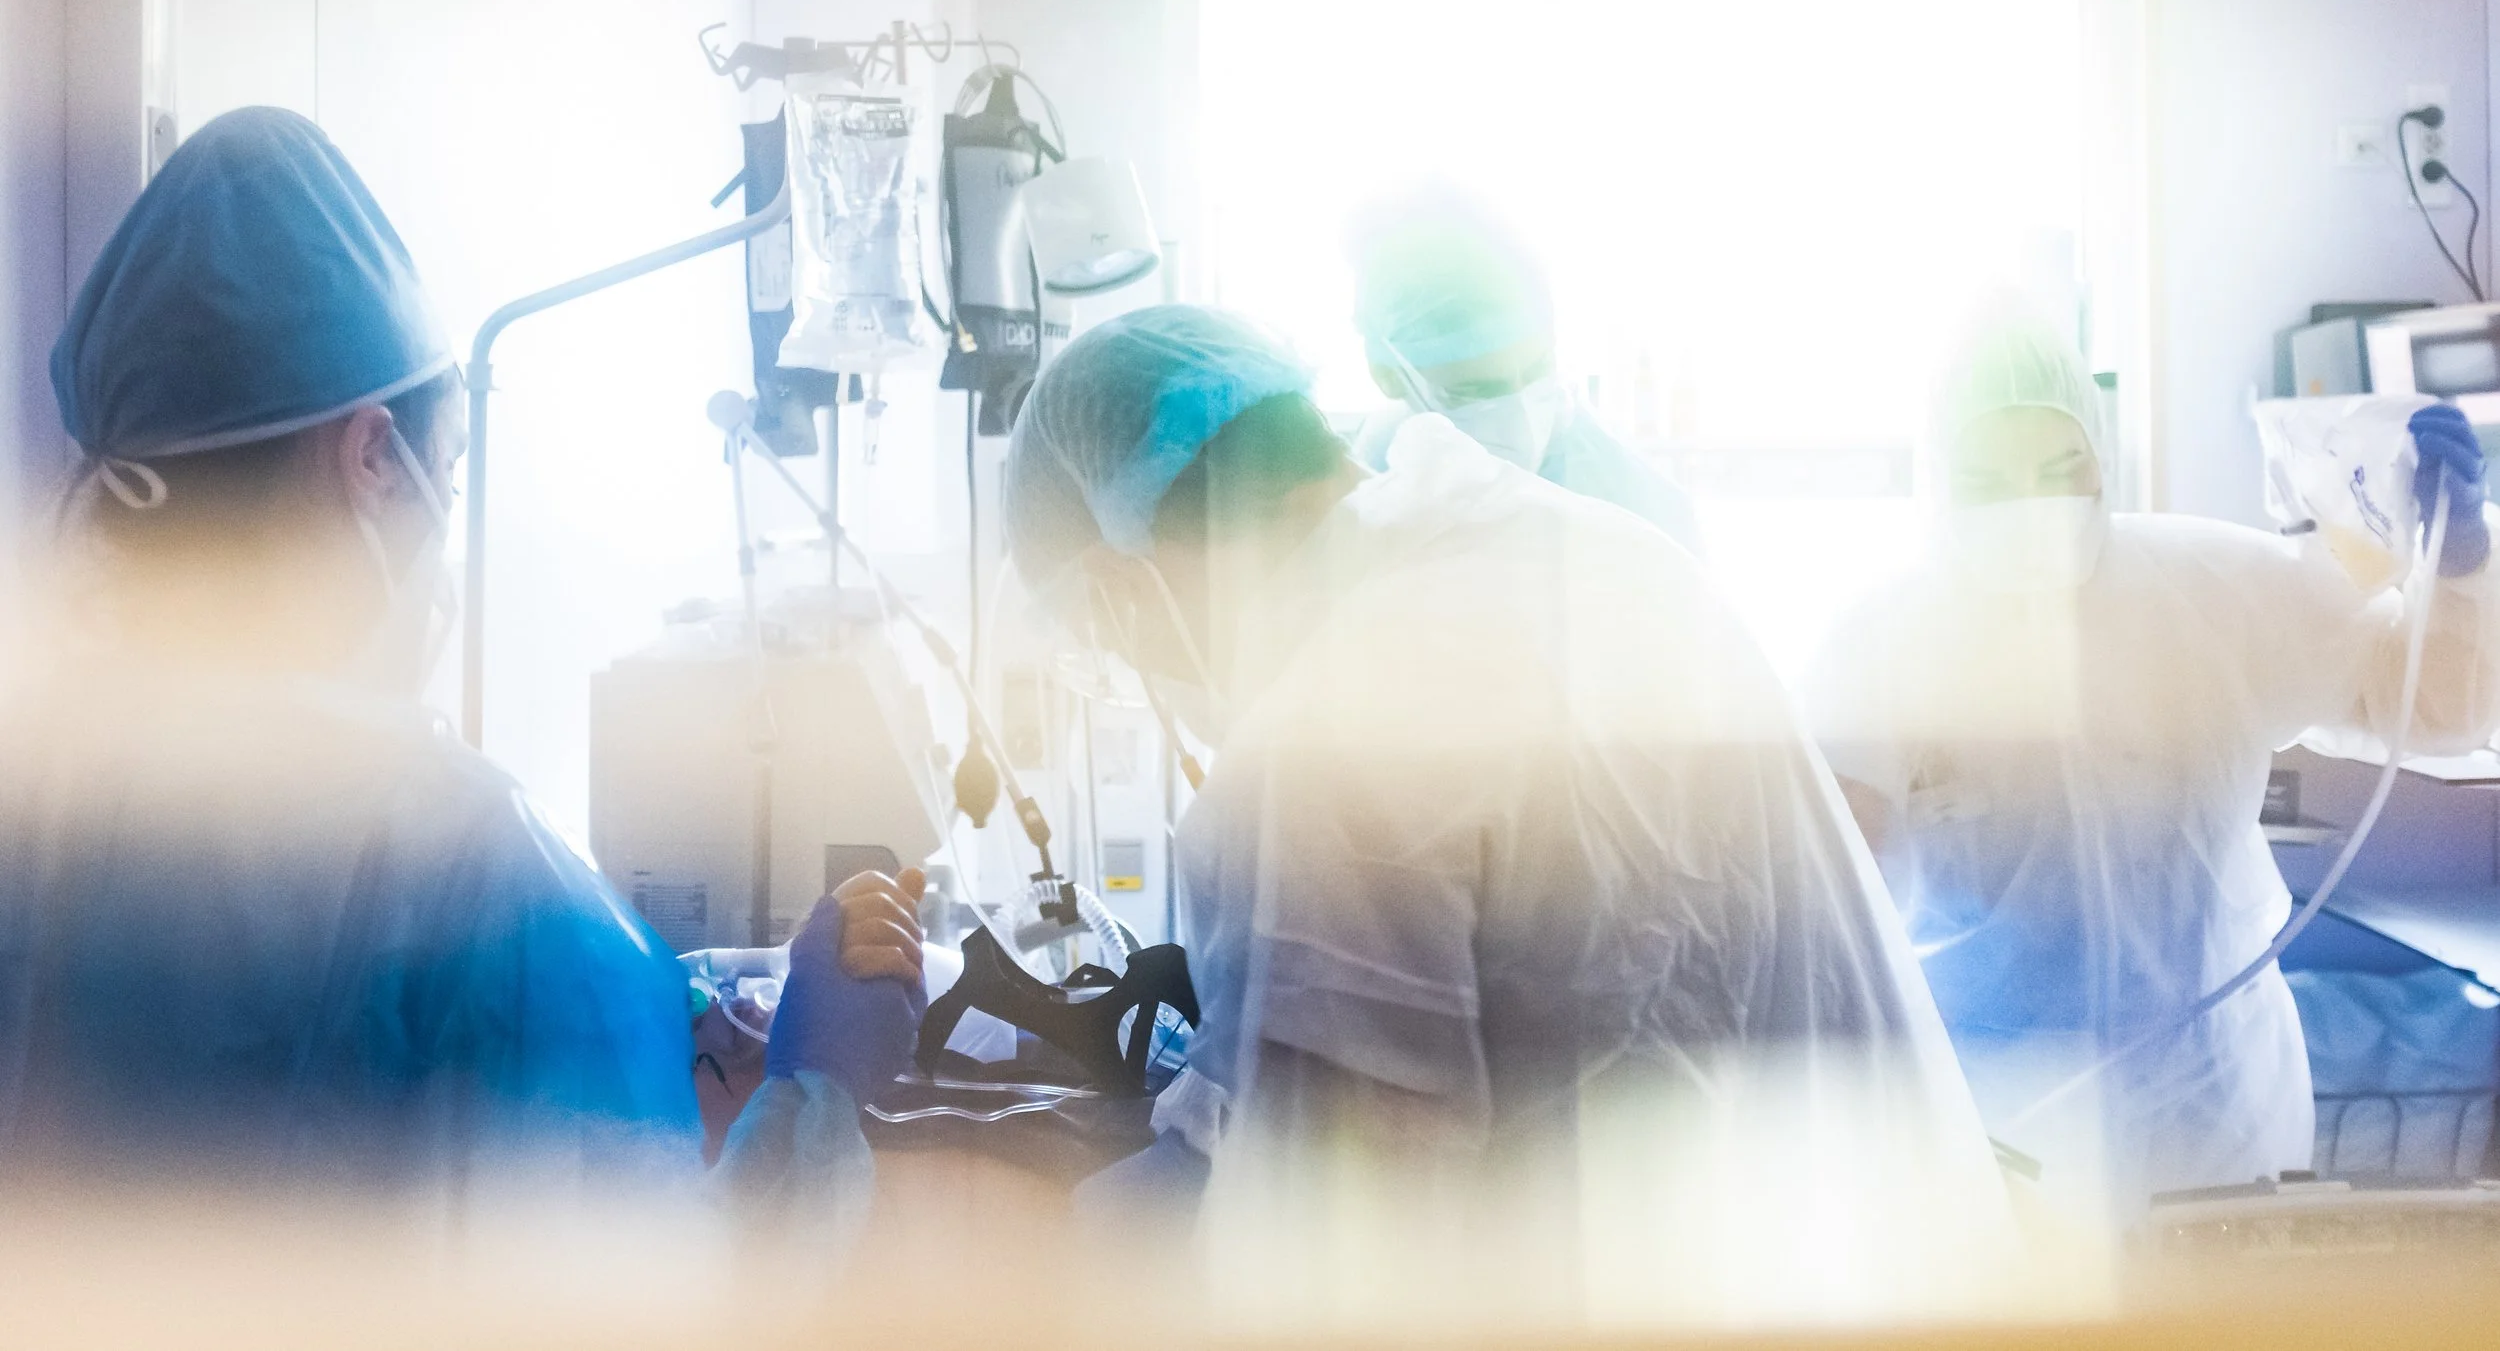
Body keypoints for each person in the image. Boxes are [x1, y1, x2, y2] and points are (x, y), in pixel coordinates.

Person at [1004, 304, 2009, 1328]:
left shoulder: (1323, 738)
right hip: (1872, 1271)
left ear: (1123, 586)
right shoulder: (1594, 554)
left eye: (1110, 644)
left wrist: (1066, 1234)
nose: (1147, 672)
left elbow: (1326, 1259)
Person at [1, 107, 921, 1201]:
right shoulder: (488, 891)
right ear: (373, 456)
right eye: (448, 460)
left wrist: (624, 1009)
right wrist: (815, 1092)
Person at [1803, 311, 2500, 1217]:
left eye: (2061, 469)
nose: (2031, 503)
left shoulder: (2211, 591)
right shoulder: (1875, 646)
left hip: (2218, 1118)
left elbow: (2439, 707)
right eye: (1991, 478)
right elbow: (1831, 920)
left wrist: (2458, 570)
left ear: (2104, 459)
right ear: (1934, 483)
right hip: (1996, 1132)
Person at [1347, 186, 1703, 552]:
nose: (1520, 414)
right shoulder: (1376, 465)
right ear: (1387, 375)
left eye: (1537, 372)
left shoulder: (1640, 508)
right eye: (1474, 392)